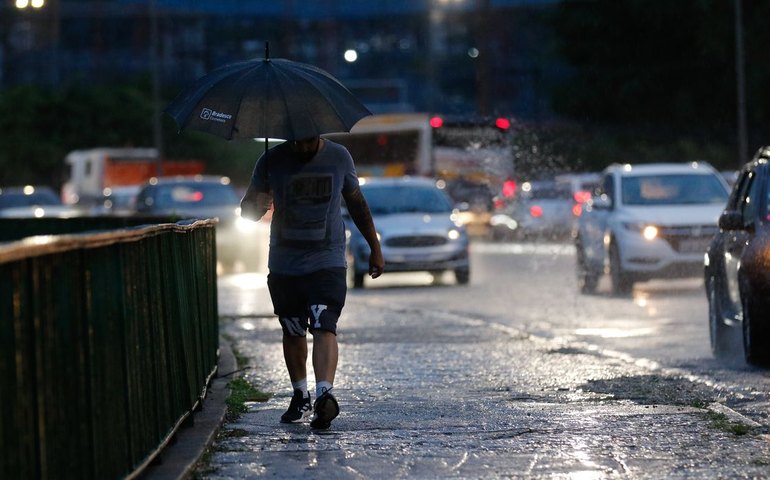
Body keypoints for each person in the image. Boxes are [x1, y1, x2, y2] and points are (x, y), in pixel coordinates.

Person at [240, 135, 384, 430]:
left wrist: (375, 247)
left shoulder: (339, 157)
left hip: (327, 260)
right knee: (292, 329)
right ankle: (299, 393)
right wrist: (259, 204)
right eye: (295, 142)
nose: (301, 148)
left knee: (324, 323)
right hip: (284, 263)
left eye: (307, 142)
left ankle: (324, 395)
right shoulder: (270, 160)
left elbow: (357, 203)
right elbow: (246, 212)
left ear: (318, 134)